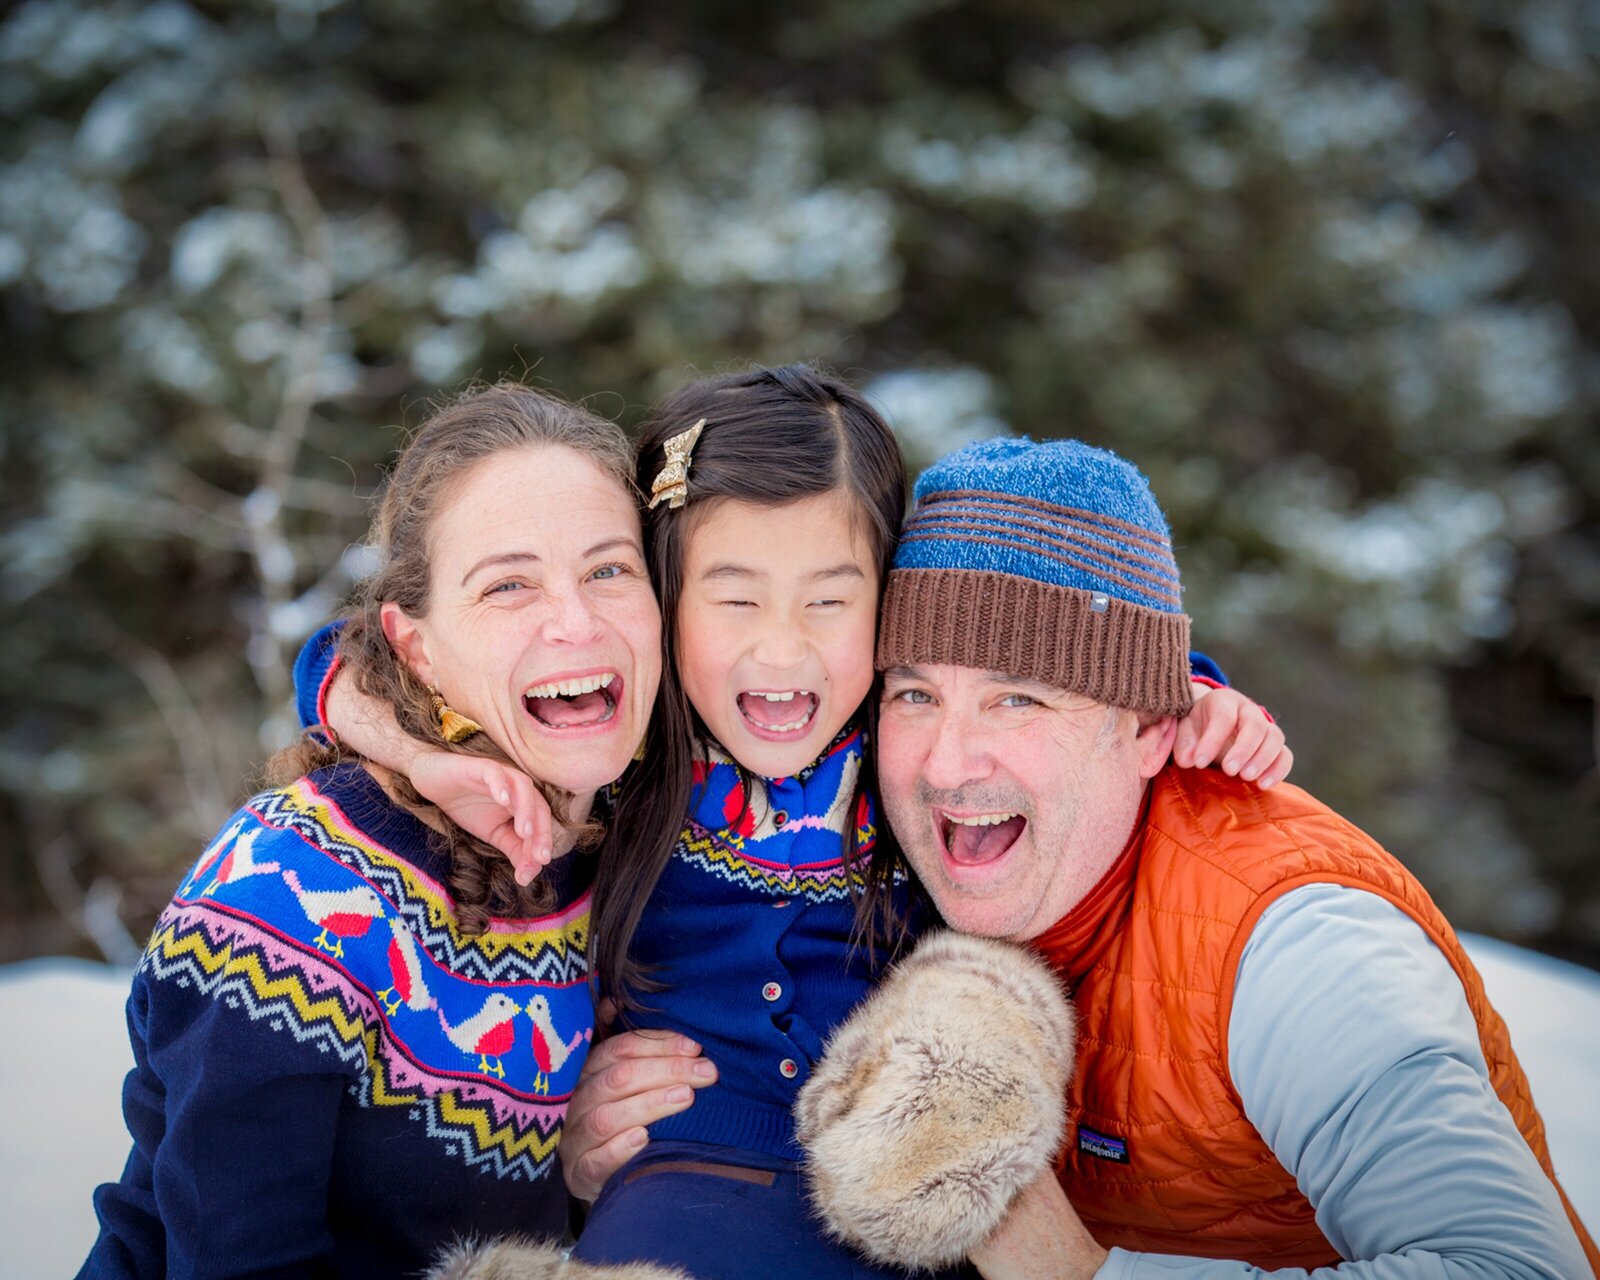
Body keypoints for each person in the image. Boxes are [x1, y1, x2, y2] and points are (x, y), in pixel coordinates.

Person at [306, 365, 1293, 1279]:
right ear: (662, 597)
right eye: (734, 598)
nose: (783, 649)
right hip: (679, 1174)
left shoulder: (908, 742)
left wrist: (1191, 691)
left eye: (831, 598)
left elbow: (1061, 667)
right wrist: (426, 752)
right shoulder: (627, 745)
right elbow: (341, 663)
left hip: (896, 1194)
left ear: (889, 602)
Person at [569, 433, 1598, 1278]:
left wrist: (1097, 1274)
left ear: (1152, 727)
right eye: (914, 692)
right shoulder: (898, 867)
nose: (946, 760)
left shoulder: (1290, 938)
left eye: (1020, 696)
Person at [79, 385, 663, 1279]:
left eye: (610, 570)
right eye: (508, 584)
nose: (576, 622)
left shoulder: (637, 841)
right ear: (416, 646)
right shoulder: (293, 888)